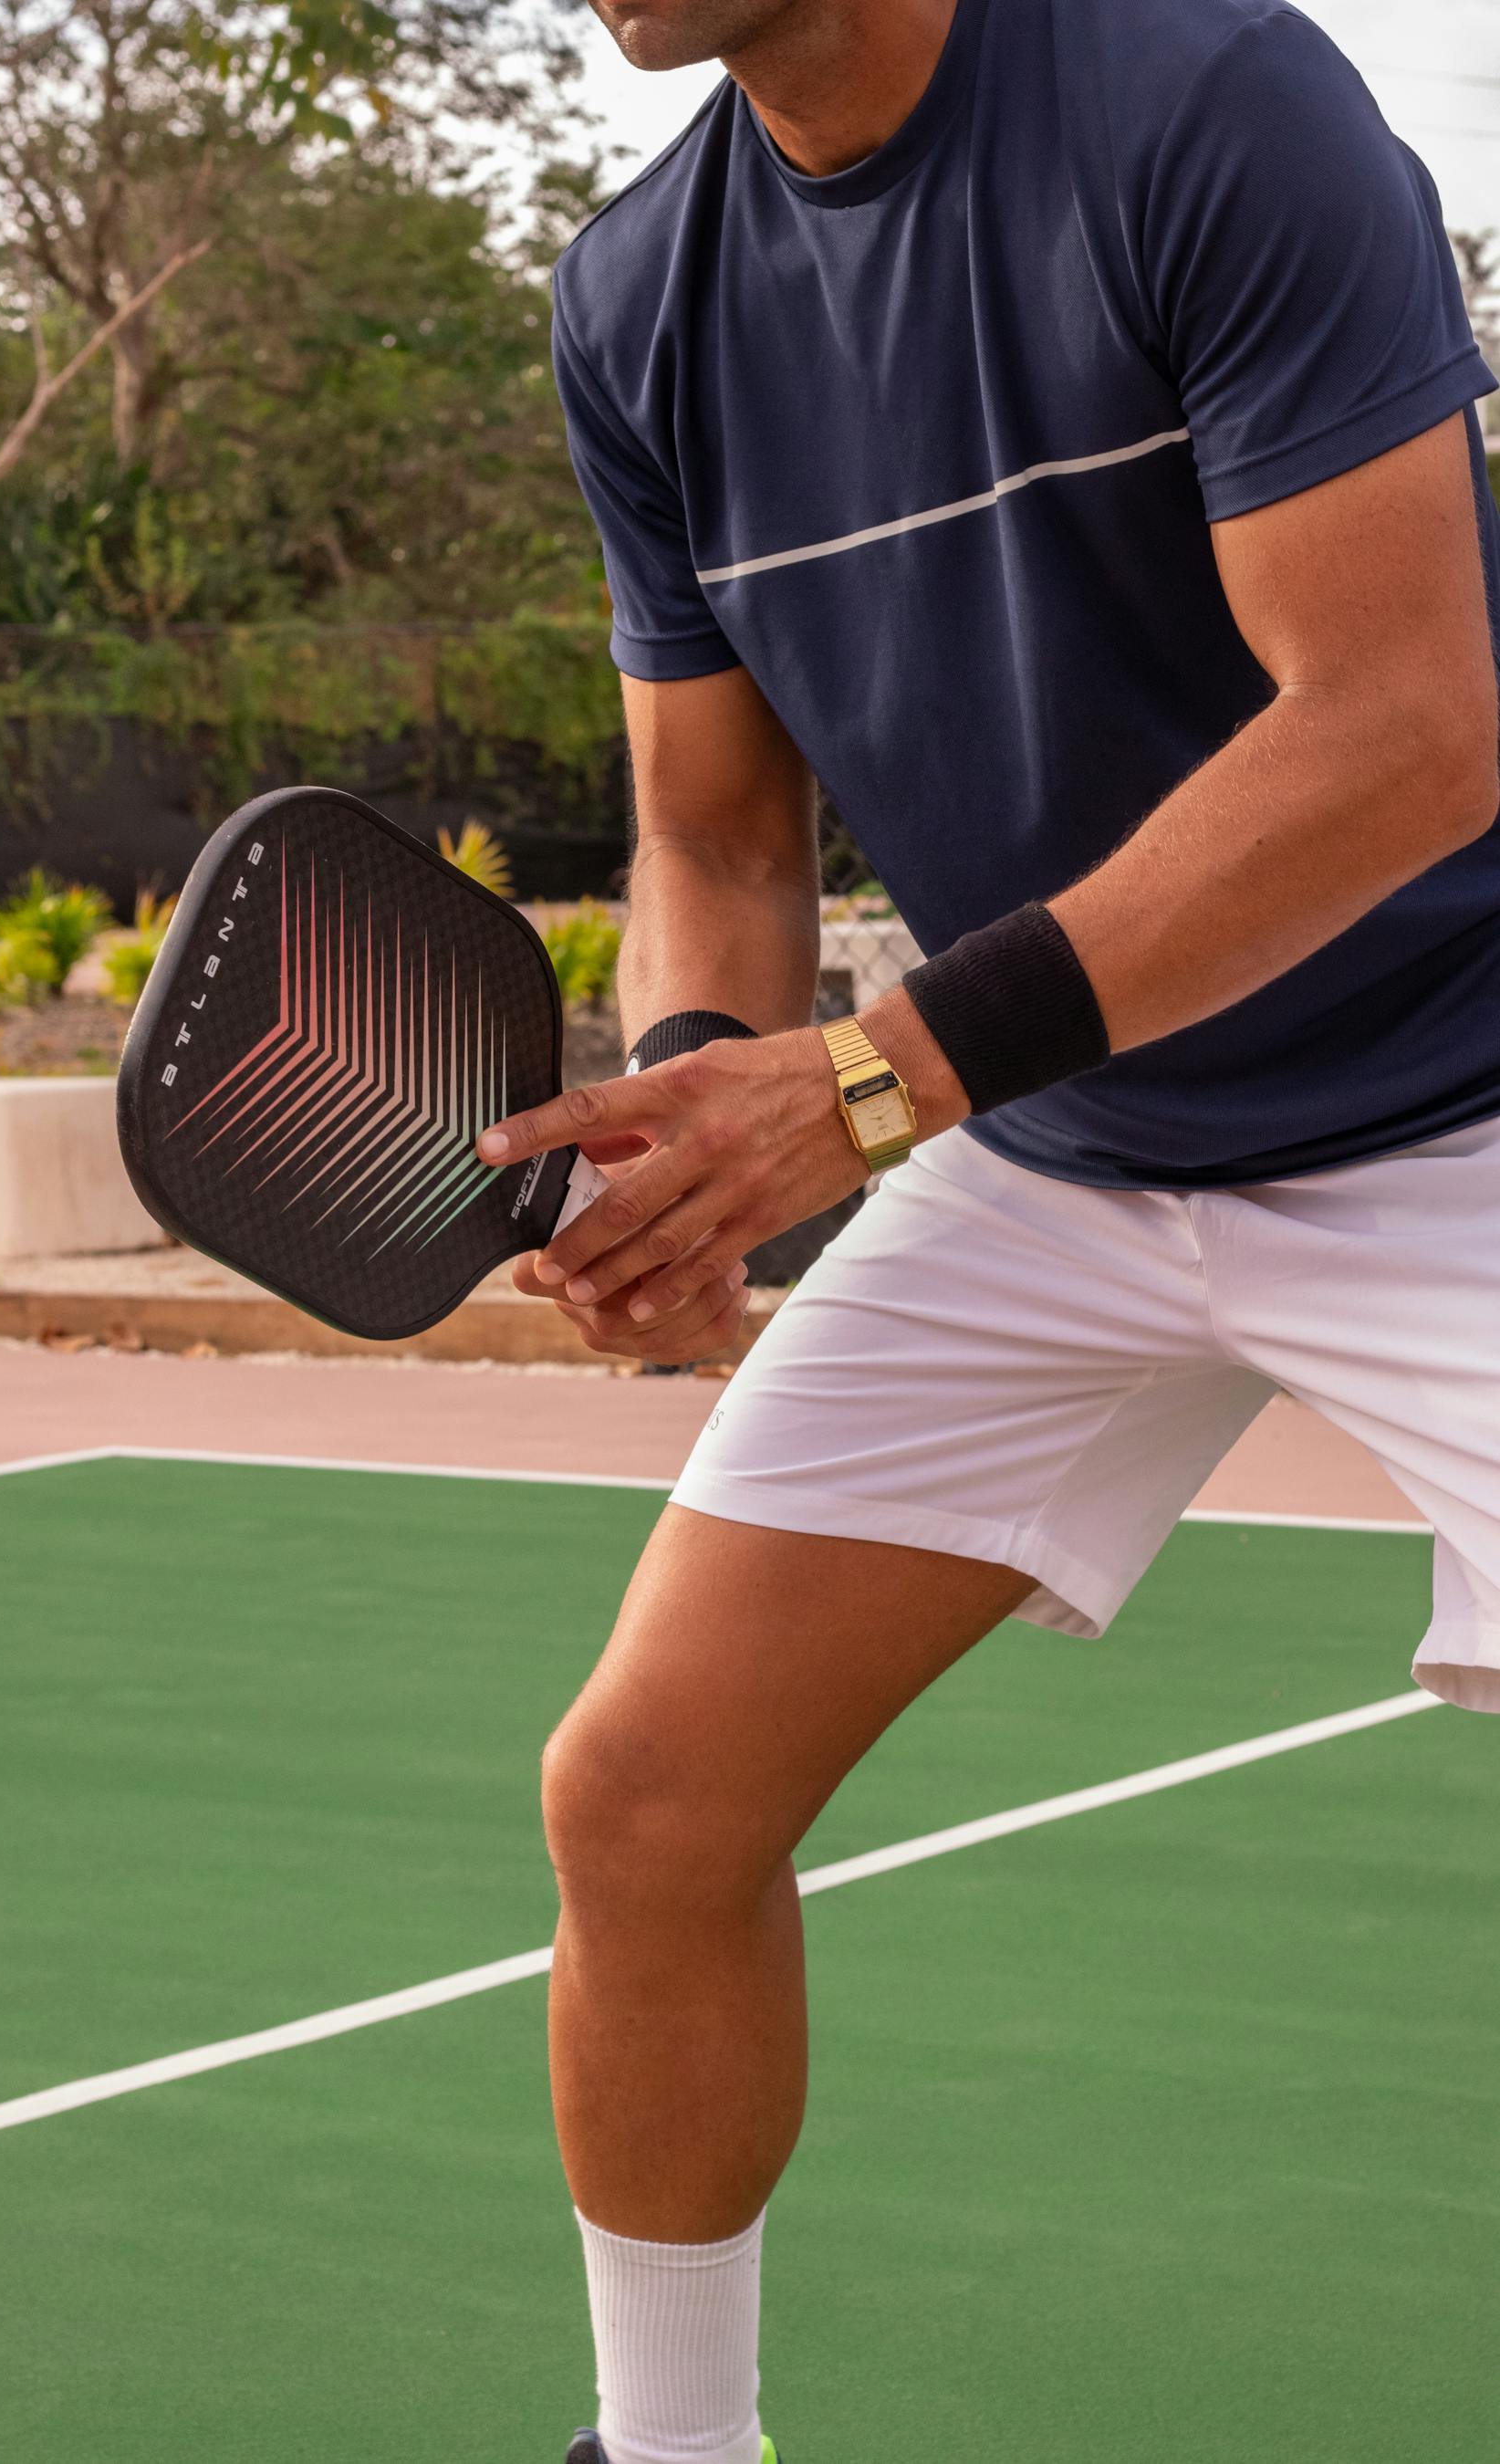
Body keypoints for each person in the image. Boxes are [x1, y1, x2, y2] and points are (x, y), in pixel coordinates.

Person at [473, 1, 1500, 2455]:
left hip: (1463, 1096)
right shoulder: (640, 299)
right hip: (1057, 1145)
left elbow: (1405, 721)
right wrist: (696, 1120)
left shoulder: (1201, 104)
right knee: (645, 1794)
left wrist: (866, 1083)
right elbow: (715, 828)